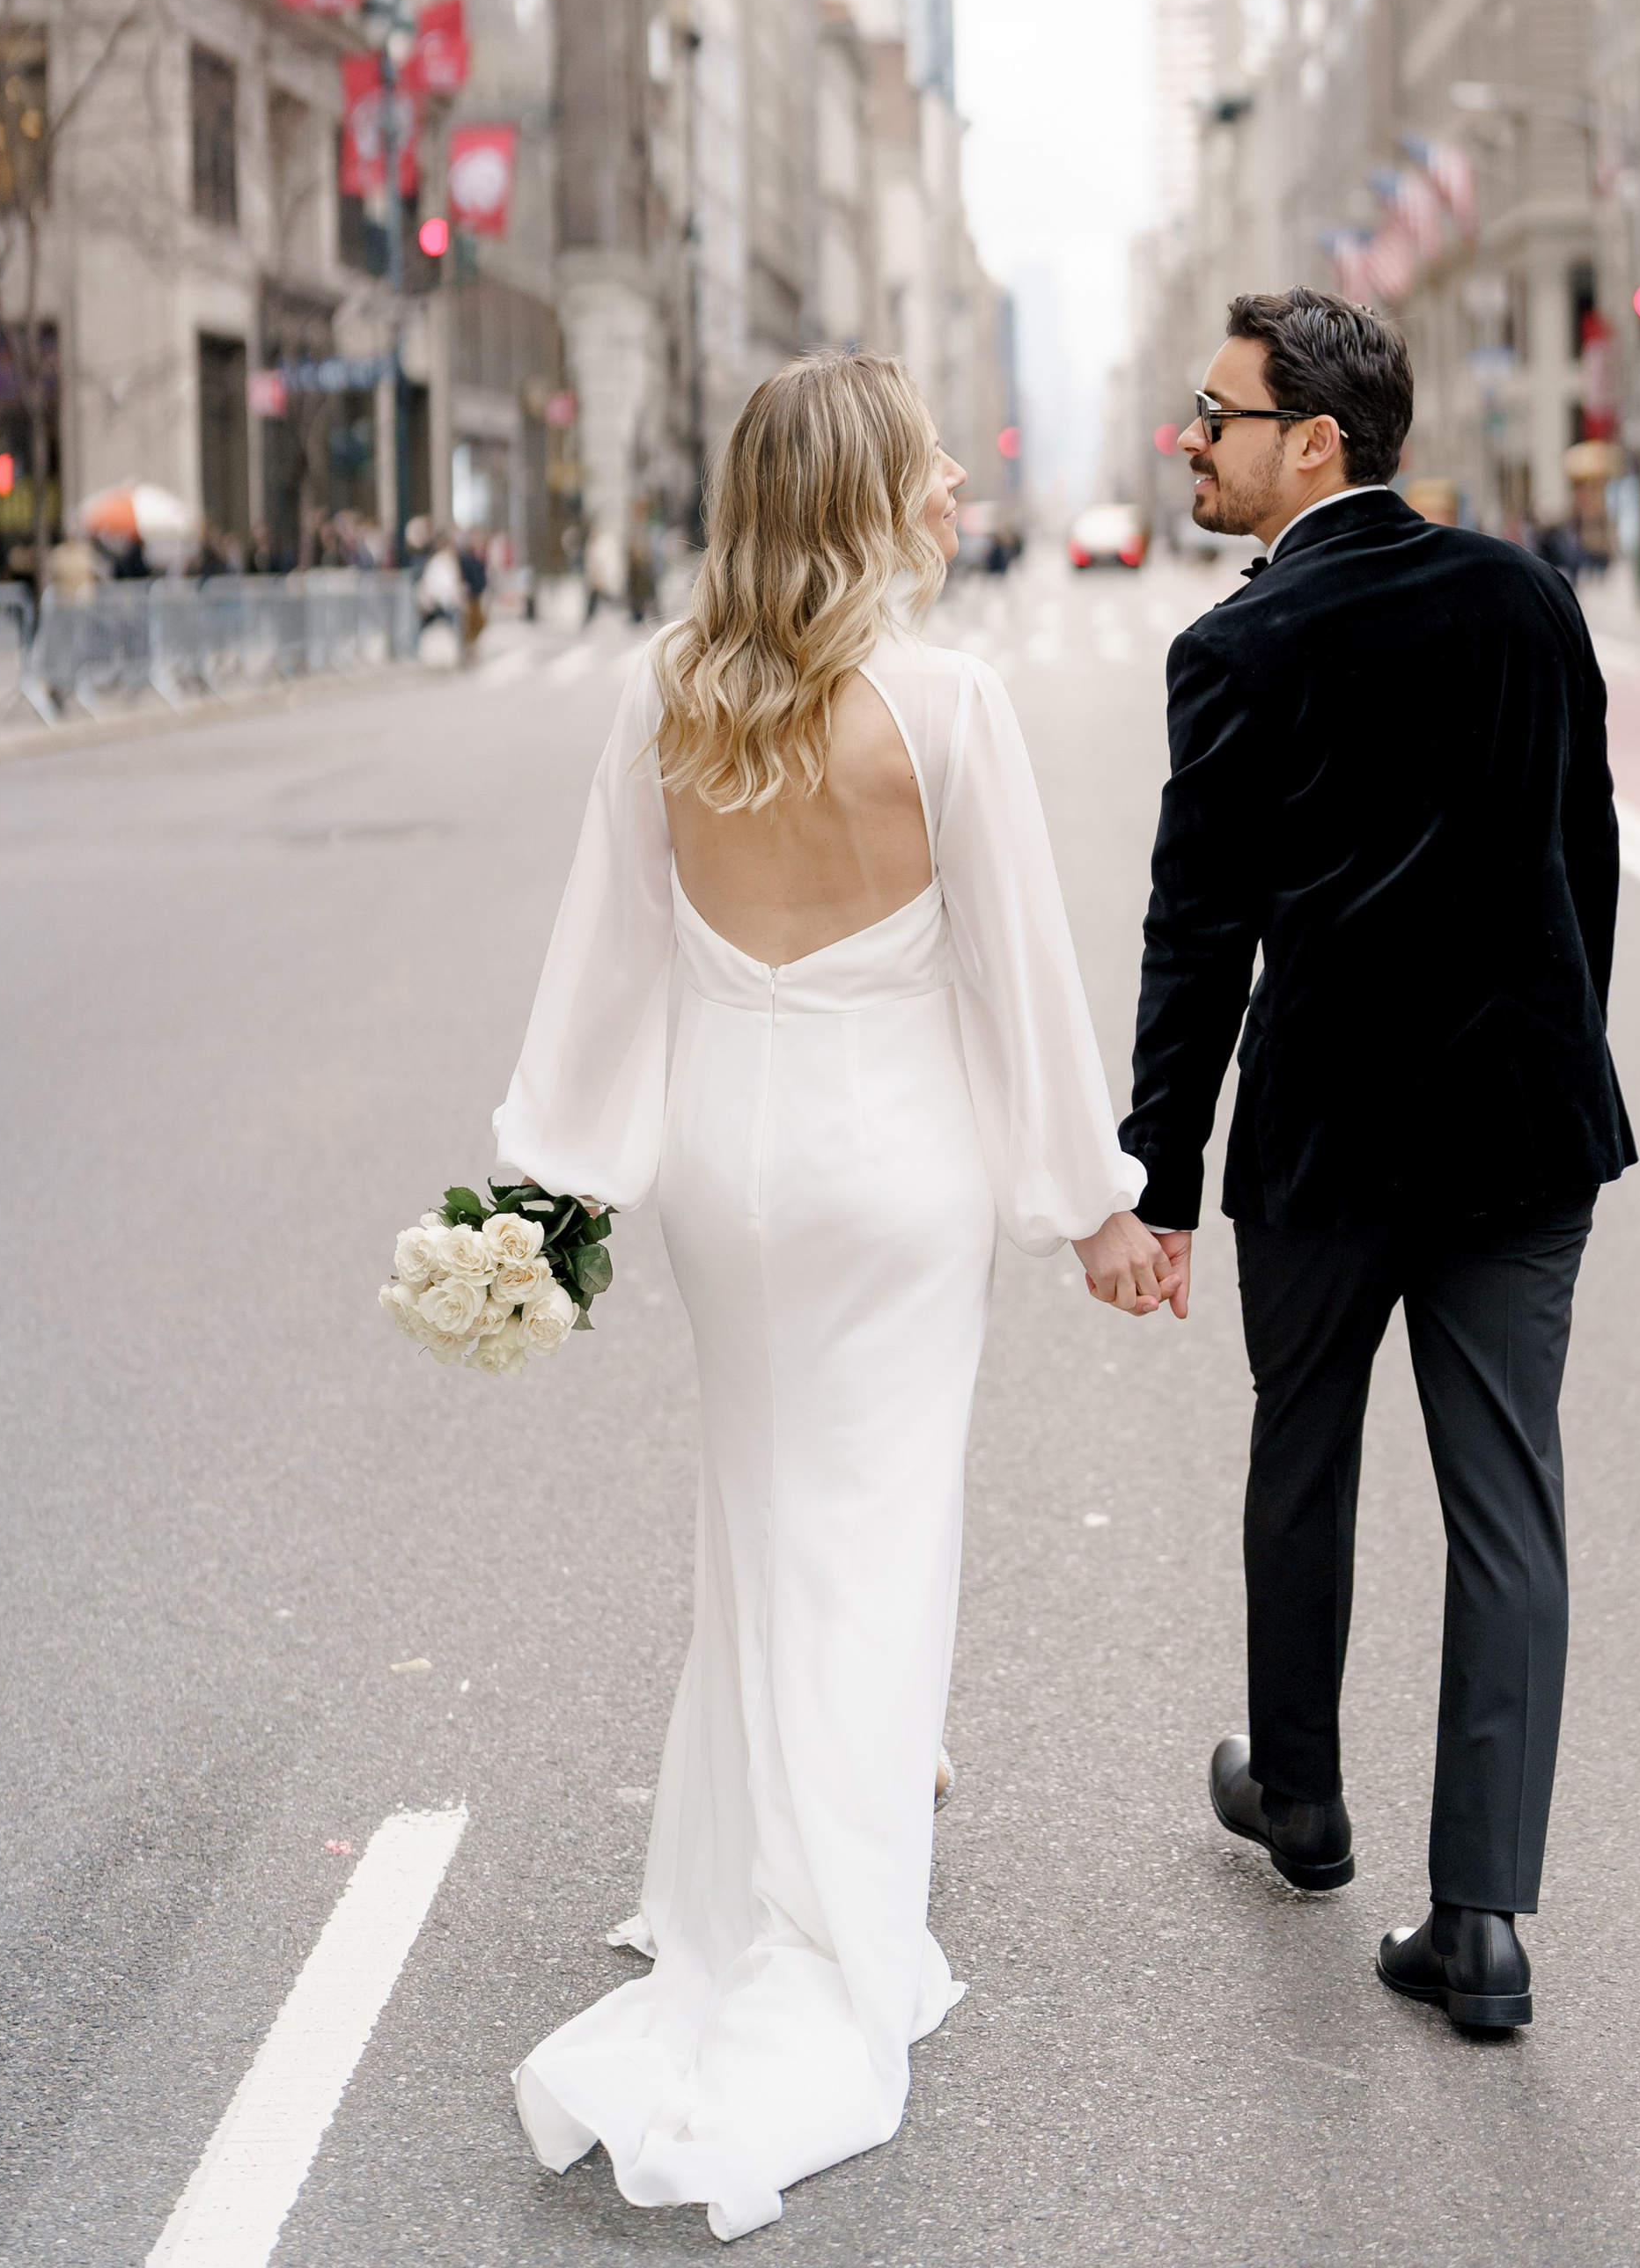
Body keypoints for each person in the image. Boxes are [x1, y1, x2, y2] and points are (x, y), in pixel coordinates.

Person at [497, 353, 1165, 2237]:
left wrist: (548, 1189)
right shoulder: (945, 706)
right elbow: (1020, 982)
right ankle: (829, 1933)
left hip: (724, 1166)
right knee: (873, 1544)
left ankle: (751, 1897)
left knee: (759, 1510)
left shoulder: (663, 696)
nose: (958, 478)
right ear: (866, 496)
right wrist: (1089, 1203)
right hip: (892, 1176)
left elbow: (600, 969)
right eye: (928, 457)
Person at [1121, 290, 1632, 2037]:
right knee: (1507, 1503)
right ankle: (1479, 1924)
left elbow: (1192, 942)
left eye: (1215, 415)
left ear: (1310, 442)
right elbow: (1584, 863)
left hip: (1326, 1139)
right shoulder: (1524, 596)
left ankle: (1302, 1799)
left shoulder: (1236, 650)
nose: (1189, 440)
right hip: (1519, 1130)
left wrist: (1160, 1178)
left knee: (1302, 1449)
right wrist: (1555, 1054)